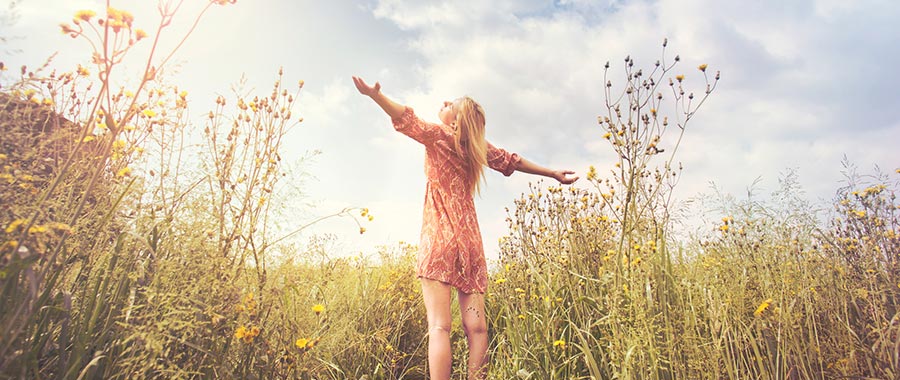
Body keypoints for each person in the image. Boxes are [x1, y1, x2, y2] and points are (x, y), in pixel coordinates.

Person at [352, 76, 579, 379]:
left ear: (456, 122)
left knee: (439, 326)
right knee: (477, 328)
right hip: (469, 244)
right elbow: (513, 161)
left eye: (451, 104)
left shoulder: (440, 135)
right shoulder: (478, 148)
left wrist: (375, 96)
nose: (444, 103)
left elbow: (404, 116)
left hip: (440, 240)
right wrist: (552, 173)